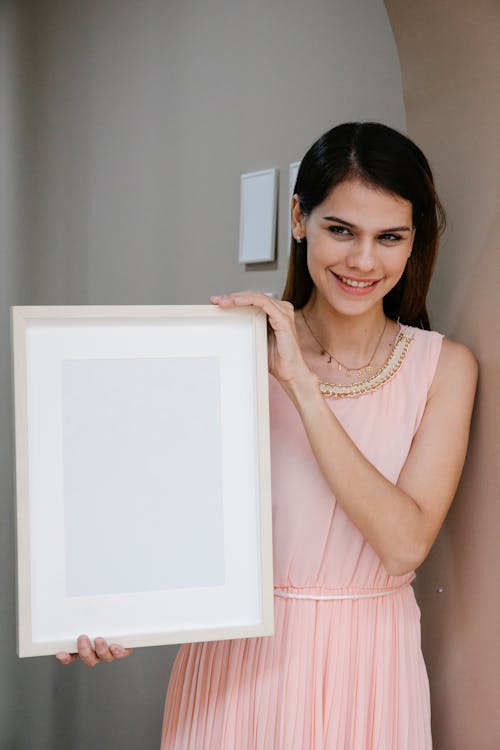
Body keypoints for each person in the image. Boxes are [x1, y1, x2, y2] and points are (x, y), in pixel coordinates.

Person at [57, 122, 478, 749]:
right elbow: (157, 515)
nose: (364, 261)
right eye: (341, 230)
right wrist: (102, 614)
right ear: (299, 218)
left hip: (370, 672)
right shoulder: (228, 354)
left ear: (413, 243)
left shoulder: (444, 368)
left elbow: (403, 544)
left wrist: (302, 388)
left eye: (390, 237)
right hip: (236, 671)